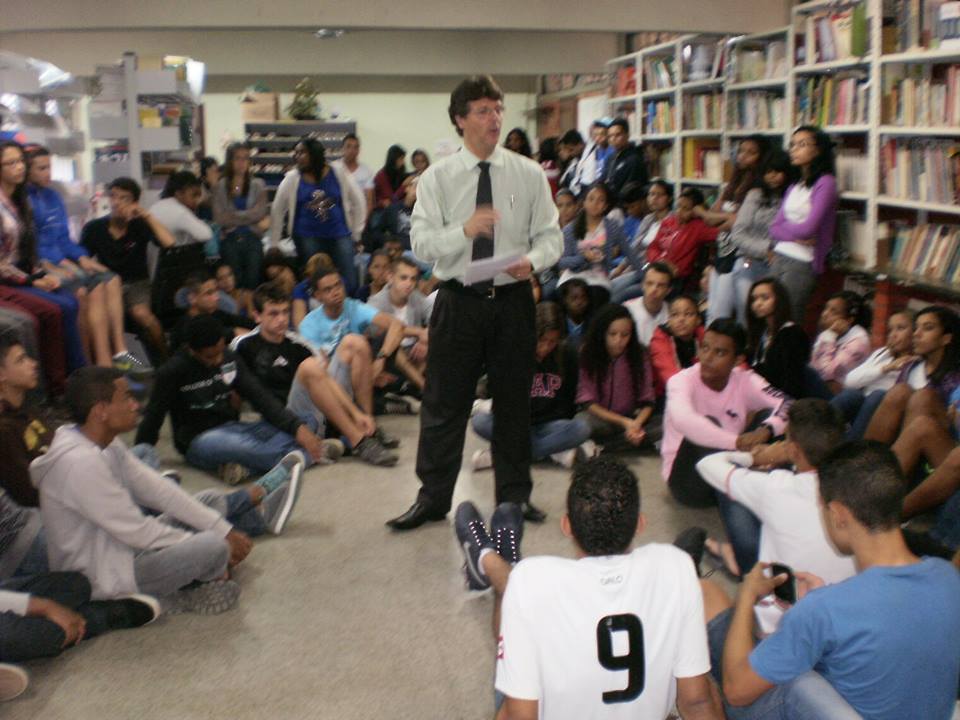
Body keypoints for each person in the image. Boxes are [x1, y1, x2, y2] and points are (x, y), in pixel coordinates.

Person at [386, 75, 562, 531]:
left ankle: (515, 497)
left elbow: (551, 237)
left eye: (498, 109)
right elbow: (422, 245)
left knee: (513, 403)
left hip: (513, 300)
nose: (494, 119)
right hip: (459, 300)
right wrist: (464, 231)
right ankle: (433, 498)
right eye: (483, 111)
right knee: (444, 403)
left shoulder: (527, 173)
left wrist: (534, 260)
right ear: (460, 120)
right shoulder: (438, 179)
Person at [703, 441, 960, 720]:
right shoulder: (947, 576)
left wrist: (745, 597)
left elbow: (737, 692)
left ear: (838, 514)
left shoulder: (823, 609)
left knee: (708, 596)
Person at [454, 458, 723, 719]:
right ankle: (493, 559)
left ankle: (487, 558)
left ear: (566, 526)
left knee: (513, 601)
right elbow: (697, 701)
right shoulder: (677, 566)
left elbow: (521, 715)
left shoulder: (532, 578)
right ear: (640, 524)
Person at [35, 366, 305, 613]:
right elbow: (139, 531)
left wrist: (224, 529)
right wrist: (217, 546)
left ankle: (248, 526)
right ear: (100, 411)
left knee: (206, 501)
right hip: (105, 578)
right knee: (210, 547)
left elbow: (159, 491)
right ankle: (176, 595)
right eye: (126, 398)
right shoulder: (80, 463)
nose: (135, 404)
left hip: (125, 551)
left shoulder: (104, 442)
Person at [135, 315, 331, 482]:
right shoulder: (172, 371)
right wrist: (138, 458)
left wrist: (297, 429)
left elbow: (260, 397)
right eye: (210, 357)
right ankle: (316, 453)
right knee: (255, 450)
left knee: (307, 420)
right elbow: (153, 416)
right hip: (201, 439)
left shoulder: (229, 358)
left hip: (238, 428)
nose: (218, 361)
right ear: (192, 351)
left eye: (220, 352)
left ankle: (248, 468)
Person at [663, 319, 789, 575]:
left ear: (737, 360)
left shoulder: (745, 379)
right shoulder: (681, 381)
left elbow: (788, 404)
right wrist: (736, 444)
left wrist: (766, 429)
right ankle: (748, 557)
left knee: (771, 418)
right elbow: (686, 421)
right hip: (688, 480)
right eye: (705, 348)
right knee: (707, 429)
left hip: (731, 467)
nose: (707, 358)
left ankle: (781, 522)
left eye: (720, 352)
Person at [694, 398, 857, 583]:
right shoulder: (861, 483)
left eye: (786, 439)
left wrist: (755, 458)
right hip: (838, 595)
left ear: (793, 450)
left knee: (733, 486)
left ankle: (741, 561)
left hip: (776, 597)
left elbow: (706, 464)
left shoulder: (776, 486)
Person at [233, 281, 397, 466]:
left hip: (312, 411)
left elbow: (325, 379)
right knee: (310, 366)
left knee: (355, 342)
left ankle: (367, 427)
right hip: (283, 417)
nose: (281, 319)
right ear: (256, 316)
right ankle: (358, 441)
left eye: (285, 312)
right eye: (273, 313)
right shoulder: (243, 345)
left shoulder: (298, 343)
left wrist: (356, 413)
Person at [26, 147, 139, 372]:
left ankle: (118, 353)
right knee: (84, 291)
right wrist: (62, 263)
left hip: (61, 260)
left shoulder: (53, 196)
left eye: (49, 166)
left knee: (111, 279)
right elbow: (34, 245)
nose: (48, 172)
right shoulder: (25, 200)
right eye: (41, 168)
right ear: (28, 170)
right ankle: (90, 366)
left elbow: (63, 239)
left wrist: (82, 258)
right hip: (44, 265)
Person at [0, 141, 86, 376]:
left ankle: (81, 373)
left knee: (72, 301)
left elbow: (29, 248)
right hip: (8, 279)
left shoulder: (20, 200)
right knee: (54, 309)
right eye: (11, 163)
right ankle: (61, 383)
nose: (19, 168)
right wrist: (32, 280)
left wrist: (39, 274)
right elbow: (2, 264)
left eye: (20, 162)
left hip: (23, 272)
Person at [472, 302, 591, 471]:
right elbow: (497, 394)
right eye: (541, 340)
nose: (545, 347)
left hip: (550, 424)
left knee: (582, 429)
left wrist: (551, 417)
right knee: (480, 421)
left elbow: (569, 401)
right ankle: (549, 452)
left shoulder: (567, 354)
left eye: (552, 342)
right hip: (516, 423)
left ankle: (500, 455)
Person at [80, 177, 176, 361]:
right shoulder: (94, 228)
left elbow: (169, 242)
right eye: (114, 196)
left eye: (124, 198)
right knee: (100, 320)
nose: (117, 203)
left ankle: (165, 361)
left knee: (144, 317)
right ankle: (110, 366)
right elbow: (82, 259)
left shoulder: (139, 225)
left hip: (137, 284)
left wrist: (145, 215)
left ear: (134, 202)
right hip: (107, 285)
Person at [298, 267, 423, 406]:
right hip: (335, 381)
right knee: (355, 345)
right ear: (317, 296)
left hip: (363, 368)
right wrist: (368, 376)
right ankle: (381, 403)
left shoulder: (353, 306)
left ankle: (419, 389)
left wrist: (381, 358)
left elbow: (396, 325)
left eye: (338, 285)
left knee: (385, 337)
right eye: (328, 289)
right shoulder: (308, 325)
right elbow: (322, 374)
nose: (336, 292)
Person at [269, 137, 366, 289]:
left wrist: (357, 232)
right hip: (307, 236)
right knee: (314, 281)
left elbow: (359, 201)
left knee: (349, 280)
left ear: (314, 154)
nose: (297, 157)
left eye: (302, 153)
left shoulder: (338, 171)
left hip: (339, 233)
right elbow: (277, 209)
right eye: (296, 153)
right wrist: (273, 243)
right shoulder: (292, 178)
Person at [769, 126, 838, 323]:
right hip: (779, 256)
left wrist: (787, 228)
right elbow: (774, 227)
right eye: (792, 144)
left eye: (802, 144)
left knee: (789, 319)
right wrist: (795, 235)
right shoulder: (794, 185)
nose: (794, 149)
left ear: (818, 150)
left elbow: (810, 227)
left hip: (802, 262)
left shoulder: (826, 183)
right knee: (771, 317)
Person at [865, 305, 960, 444]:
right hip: (896, 434)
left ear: (946, 338)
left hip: (935, 440)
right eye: (916, 328)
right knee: (897, 392)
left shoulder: (954, 377)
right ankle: (865, 457)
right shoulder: (910, 366)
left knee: (923, 397)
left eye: (927, 328)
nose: (916, 334)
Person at [700, 136, 767, 324]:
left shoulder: (757, 189)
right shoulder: (733, 183)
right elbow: (709, 218)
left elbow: (734, 223)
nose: (743, 156)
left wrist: (721, 218)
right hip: (721, 253)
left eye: (751, 152)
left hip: (739, 256)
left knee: (729, 313)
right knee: (712, 312)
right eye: (741, 151)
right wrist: (723, 218)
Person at [727, 148, 798, 324]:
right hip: (750, 262)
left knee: (777, 315)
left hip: (782, 265)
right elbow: (737, 234)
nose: (772, 177)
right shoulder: (755, 195)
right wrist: (766, 249)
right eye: (768, 172)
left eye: (777, 172)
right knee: (748, 309)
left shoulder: (795, 197)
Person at [575, 303, 655, 450]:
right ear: (603, 332)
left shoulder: (640, 354)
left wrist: (636, 424)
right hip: (600, 419)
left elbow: (648, 400)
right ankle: (621, 444)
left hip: (631, 417)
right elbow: (587, 402)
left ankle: (602, 447)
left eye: (625, 335)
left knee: (667, 423)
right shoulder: (588, 353)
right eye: (612, 334)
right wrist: (624, 422)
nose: (619, 340)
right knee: (581, 424)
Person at [832, 309, 915, 439]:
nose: (893, 335)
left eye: (900, 328)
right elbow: (849, 382)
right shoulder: (883, 354)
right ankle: (809, 436)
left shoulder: (915, 363)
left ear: (914, 332)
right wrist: (886, 368)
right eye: (890, 330)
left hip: (886, 421)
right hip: (862, 411)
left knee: (877, 396)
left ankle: (852, 449)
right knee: (851, 395)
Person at [558, 182, 636, 306]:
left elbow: (630, 253)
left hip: (598, 279)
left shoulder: (612, 227)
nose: (595, 204)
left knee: (593, 297)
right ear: (583, 202)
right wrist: (583, 258)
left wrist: (645, 274)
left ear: (605, 205)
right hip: (573, 277)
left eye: (600, 200)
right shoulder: (570, 229)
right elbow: (562, 262)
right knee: (566, 295)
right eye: (591, 199)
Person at [212, 142, 269, 291]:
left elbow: (260, 212)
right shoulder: (220, 186)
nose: (242, 163)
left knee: (253, 281)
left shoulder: (258, 184)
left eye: (245, 158)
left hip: (253, 237)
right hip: (229, 239)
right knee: (234, 284)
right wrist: (248, 216)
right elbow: (220, 218)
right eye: (237, 158)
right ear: (230, 161)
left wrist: (233, 216)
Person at [745, 278, 811, 400]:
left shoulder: (792, 333)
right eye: (754, 299)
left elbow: (792, 382)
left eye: (765, 298)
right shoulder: (761, 332)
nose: (757, 304)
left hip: (783, 400)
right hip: (759, 395)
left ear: (779, 300)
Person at [367, 256, 431, 375]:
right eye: (403, 278)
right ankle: (422, 385)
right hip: (388, 357)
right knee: (395, 347)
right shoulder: (375, 303)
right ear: (390, 278)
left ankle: (413, 385)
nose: (409, 284)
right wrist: (420, 332)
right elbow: (378, 335)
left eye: (413, 279)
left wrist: (425, 341)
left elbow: (435, 316)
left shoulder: (415, 296)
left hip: (415, 353)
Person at [647, 187, 720, 288]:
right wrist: (660, 261)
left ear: (695, 211)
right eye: (678, 206)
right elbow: (653, 247)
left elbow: (723, 232)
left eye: (686, 209)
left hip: (675, 279)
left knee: (626, 294)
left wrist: (703, 213)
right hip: (655, 269)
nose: (679, 212)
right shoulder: (668, 222)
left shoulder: (698, 228)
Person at [168, 271, 256, 351]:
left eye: (216, 291)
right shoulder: (184, 328)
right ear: (192, 298)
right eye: (209, 293)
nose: (217, 298)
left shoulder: (215, 313)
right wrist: (234, 332)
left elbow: (244, 322)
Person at [148, 170, 213, 277]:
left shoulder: (157, 205)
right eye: (194, 195)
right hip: (176, 269)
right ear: (178, 194)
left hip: (156, 266)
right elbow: (206, 235)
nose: (197, 200)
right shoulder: (180, 212)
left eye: (199, 195)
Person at [809, 290, 872, 394]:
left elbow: (825, 374)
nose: (825, 314)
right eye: (826, 308)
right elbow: (814, 366)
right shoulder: (830, 332)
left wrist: (829, 336)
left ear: (849, 320)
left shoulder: (858, 344)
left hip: (836, 397)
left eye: (834, 312)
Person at [649, 294, 704, 399]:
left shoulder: (703, 335)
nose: (681, 319)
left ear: (698, 320)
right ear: (668, 320)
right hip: (665, 395)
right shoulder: (659, 339)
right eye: (675, 315)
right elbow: (670, 378)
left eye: (688, 314)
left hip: (698, 392)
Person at [622, 261, 673, 346]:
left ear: (668, 290)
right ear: (642, 285)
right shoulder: (626, 310)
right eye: (649, 283)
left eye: (660, 285)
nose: (654, 289)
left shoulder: (672, 314)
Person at [602, 118, 648, 204]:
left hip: (627, 206)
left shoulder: (634, 158)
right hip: (609, 203)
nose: (613, 139)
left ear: (627, 135)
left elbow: (630, 189)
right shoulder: (610, 158)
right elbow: (604, 180)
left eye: (617, 135)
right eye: (610, 136)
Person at [333, 133, 376, 215]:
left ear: (359, 150)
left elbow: (369, 202)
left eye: (355, 147)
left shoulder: (366, 171)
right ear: (342, 149)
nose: (352, 150)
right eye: (348, 146)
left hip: (358, 215)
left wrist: (362, 224)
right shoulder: (333, 168)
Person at [559, 277, 592, 350]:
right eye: (574, 298)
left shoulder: (592, 322)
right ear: (565, 300)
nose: (579, 302)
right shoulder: (559, 322)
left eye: (583, 297)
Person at [373, 145, 408, 211]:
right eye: (401, 159)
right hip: (382, 211)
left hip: (395, 209)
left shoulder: (399, 173)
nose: (403, 162)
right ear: (393, 159)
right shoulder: (382, 175)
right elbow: (392, 198)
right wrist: (404, 186)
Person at [196, 156, 220, 221]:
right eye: (212, 172)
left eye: (217, 171)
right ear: (203, 177)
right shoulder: (197, 187)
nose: (217, 175)